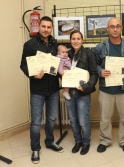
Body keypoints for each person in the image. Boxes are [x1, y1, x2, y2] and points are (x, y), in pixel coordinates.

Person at [20, 16, 64, 164]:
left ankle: (50, 141)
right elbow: (23, 65)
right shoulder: (29, 44)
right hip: (37, 89)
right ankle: (35, 148)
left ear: (52, 29)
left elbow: (58, 64)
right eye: (43, 26)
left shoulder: (55, 43)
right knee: (37, 122)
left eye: (49, 27)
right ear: (39, 26)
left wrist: (63, 73)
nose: (46, 30)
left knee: (51, 118)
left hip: (53, 89)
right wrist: (33, 74)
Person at [95, 18, 124, 153]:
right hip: (105, 89)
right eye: (112, 26)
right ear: (107, 29)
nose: (115, 29)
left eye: (117, 26)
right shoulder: (100, 47)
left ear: (121, 28)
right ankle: (105, 140)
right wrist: (100, 71)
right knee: (105, 118)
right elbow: (93, 66)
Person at [65, 30, 98, 155]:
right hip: (69, 93)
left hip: (83, 93)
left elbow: (94, 74)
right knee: (73, 120)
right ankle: (78, 141)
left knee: (83, 120)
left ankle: (86, 142)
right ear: (70, 40)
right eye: (73, 39)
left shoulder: (89, 54)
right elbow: (61, 71)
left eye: (78, 39)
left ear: (82, 40)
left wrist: (86, 87)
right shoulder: (66, 54)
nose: (76, 41)